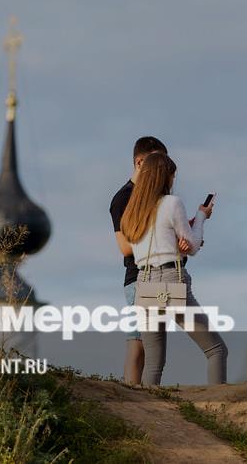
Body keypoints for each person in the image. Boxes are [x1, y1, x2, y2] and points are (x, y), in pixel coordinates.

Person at [120, 152, 227, 385]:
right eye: (172, 176)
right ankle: (219, 405)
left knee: (153, 363)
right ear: (164, 176)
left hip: (144, 283)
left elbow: (151, 244)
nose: (173, 180)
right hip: (170, 279)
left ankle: (148, 409)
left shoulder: (132, 212)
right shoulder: (172, 203)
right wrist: (201, 216)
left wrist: (178, 244)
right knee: (216, 350)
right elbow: (193, 246)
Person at [109, 136, 169, 384]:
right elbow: (125, 247)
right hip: (139, 277)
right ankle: (132, 396)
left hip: (157, 276)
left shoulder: (155, 195)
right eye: (157, 162)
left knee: (146, 344)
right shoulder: (123, 198)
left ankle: (137, 394)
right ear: (140, 162)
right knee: (140, 344)